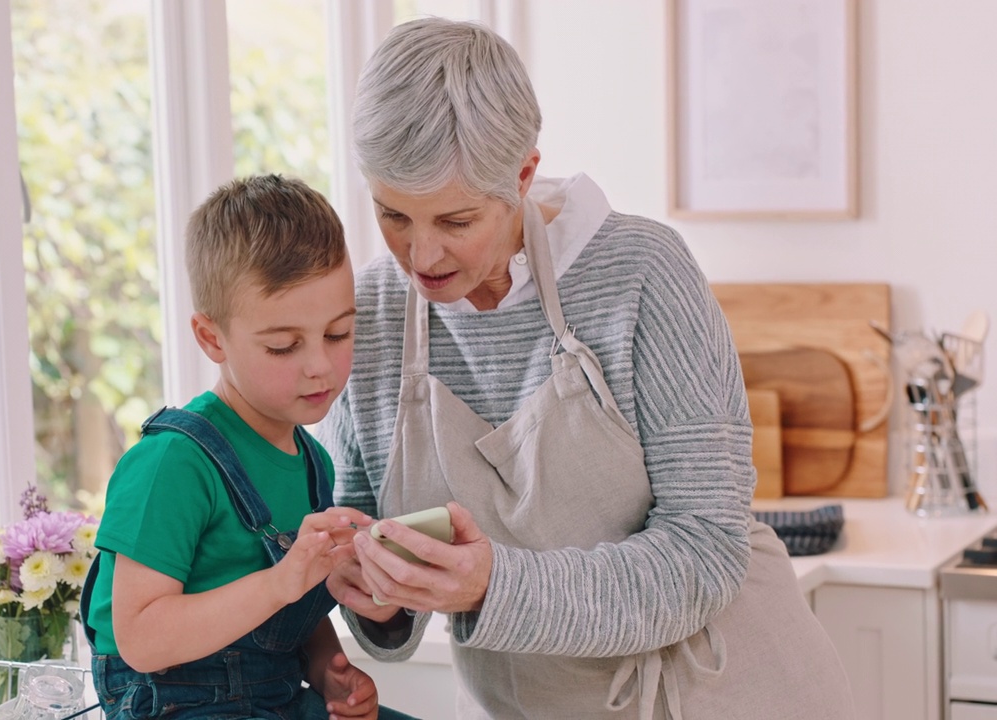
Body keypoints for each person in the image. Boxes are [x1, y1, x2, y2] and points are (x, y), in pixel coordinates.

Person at [317, 17, 857, 720]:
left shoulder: (642, 275)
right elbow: (375, 550)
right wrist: (374, 591)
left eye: (455, 221)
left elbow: (708, 550)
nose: (421, 257)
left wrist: (494, 586)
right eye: (393, 215)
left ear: (522, 175)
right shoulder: (374, 316)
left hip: (725, 694)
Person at [82, 175, 412, 720]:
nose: (319, 365)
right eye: (283, 346)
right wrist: (281, 582)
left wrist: (329, 670)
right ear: (212, 338)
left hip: (278, 696)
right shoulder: (173, 462)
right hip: (175, 704)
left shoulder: (313, 464)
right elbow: (139, 637)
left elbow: (291, 619)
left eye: (338, 334)